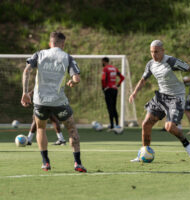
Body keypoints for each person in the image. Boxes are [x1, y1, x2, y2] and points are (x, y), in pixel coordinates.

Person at [129, 40, 190, 162]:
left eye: (156, 52)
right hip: (161, 97)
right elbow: (143, 79)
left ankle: (186, 143)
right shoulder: (150, 64)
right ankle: (144, 152)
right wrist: (134, 93)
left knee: (169, 127)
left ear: (163, 51)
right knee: (146, 124)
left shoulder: (172, 61)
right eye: (151, 52)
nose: (154, 54)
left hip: (176, 98)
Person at [21, 31, 87, 172]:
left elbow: (26, 71)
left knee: (41, 128)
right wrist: (72, 83)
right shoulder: (67, 57)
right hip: (59, 102)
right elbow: (76, 79)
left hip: (40, 101)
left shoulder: (39, 54)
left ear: (50, 43)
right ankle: (77, 163)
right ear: (63, 44)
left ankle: (46, 163)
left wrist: (25, 93)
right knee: (71, 129)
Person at [101, 57, 125, 131]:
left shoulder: (105, 69)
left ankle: (112, 126)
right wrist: (118, 84)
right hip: (114, 89)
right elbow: (122, 77)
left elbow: (103, 79)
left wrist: (103, 88)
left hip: (108, 89)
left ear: (105, 62)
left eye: (102, 62)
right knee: (114, 107)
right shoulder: (114, 68)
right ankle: (117, 125)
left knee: (109, 107)